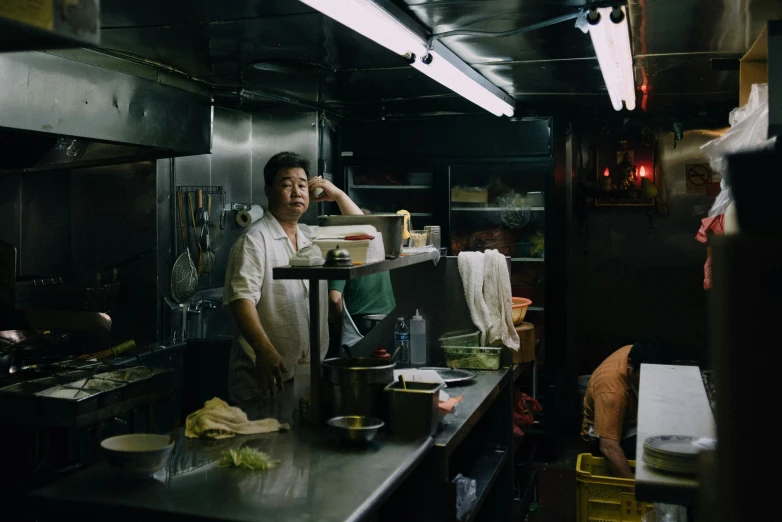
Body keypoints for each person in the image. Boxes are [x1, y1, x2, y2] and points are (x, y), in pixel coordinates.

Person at [223, 152, 362, 404]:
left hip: (307, 372)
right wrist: (264, 351)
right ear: (269, 190)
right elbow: (241, 300)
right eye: (287, 185)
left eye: (302, 185)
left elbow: (363, 234)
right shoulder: (254, 241)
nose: (297, 192)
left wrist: (338, 195)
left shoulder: (312, 237)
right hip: (265, 376)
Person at [581, 338, 669, 478]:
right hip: (602, 439)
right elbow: (608, 448)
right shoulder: (612, 392)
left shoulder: (637, 353)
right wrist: (635, 492)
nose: (652, 381)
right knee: (657, 453)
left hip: (629, 416)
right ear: (629, 364)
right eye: (647, 376)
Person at [328, 209, 396, 354]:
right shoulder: (380, 251)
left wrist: (340, 327)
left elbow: (335, 299)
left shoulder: (343, 254)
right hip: (390, 321)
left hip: (360, 326)